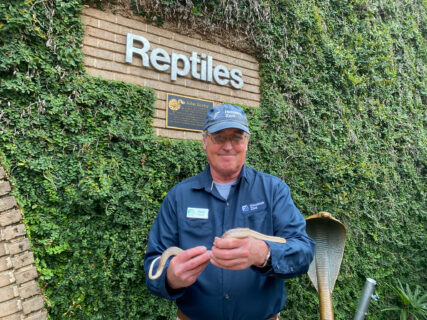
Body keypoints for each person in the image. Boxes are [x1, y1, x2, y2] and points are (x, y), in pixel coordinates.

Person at [144, 104, 315, 320]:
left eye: (236, 137)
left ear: (246, 143)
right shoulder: (179, 196)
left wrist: (264, 254)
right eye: (218, 137)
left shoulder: (273, 190)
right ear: (205, 141)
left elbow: (304, 250)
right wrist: (169, 277)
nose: (228, 146)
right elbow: (153, 262)